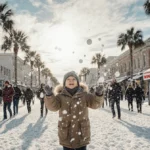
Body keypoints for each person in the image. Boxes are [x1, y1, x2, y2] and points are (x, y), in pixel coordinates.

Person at [44, 71, 104, 150]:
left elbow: (95, 104)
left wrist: (98, 94)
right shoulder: (60, 96)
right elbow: (53, 107)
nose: (71, 81)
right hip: (66, 134)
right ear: (64, 83)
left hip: (82, 134)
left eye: (73, 79)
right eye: (68, 79)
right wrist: (49, 95)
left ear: (78, 82)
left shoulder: (84, 95)